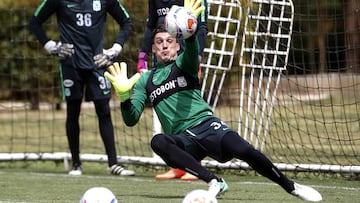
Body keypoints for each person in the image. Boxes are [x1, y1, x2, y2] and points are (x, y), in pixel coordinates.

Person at [104, 7, 323, 201]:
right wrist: (124, 97)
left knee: (244, 149)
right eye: (159, 42)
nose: (164, 46)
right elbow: (131, 120)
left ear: (176, 45)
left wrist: (188, 27)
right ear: (152, 48)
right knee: (158, 141)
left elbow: (191, 48)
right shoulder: (145, 80)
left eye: (169, 41)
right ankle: (214, 181)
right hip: (184, 140)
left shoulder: (183, 64)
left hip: (207, 126)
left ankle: (291, 187)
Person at [29, 0, 135, 176]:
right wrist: (51, 47)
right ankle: (76, 164)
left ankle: (113, 164)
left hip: (97, 63)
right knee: (73, 111)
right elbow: (35, 22)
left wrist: (115, 49)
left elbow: (126, 21)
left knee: (104, 111)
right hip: (71, 64)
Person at [136, 0, 208, 181]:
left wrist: (197, 56)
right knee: (166, 111)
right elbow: (151, 24)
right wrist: (143, 55)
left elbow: (203, 26)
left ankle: (195, 164)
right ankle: (178, 165)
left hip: (185, 58)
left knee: (186, 110)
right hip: (162, 55)